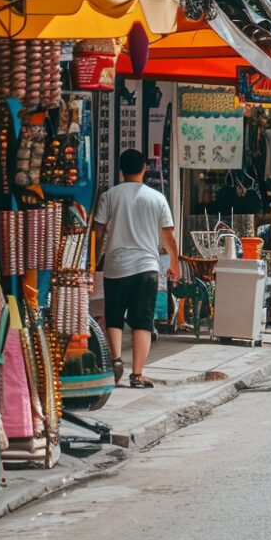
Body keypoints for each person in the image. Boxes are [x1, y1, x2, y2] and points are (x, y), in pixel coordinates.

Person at [92, 149, 181, 389]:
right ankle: (138, 375)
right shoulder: (157, 198)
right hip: (146, 267)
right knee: (143, 321)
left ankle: (116, 360)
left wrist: (92, 262)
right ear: (144, 168)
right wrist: (174, 262)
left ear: (121, 170)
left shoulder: (110, 196)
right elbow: (168, 235)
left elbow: (97, 232)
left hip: (116, 265)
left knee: (114, 316)